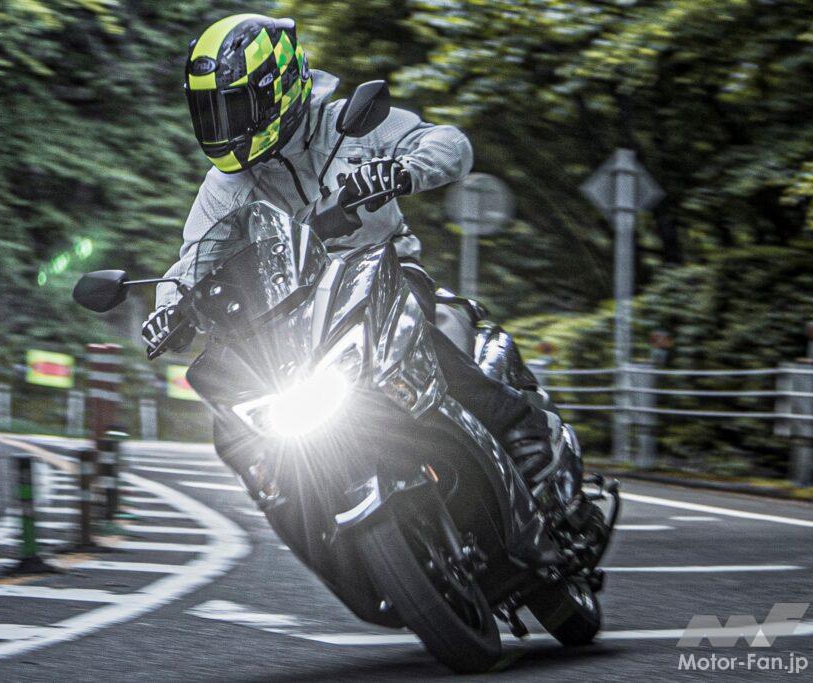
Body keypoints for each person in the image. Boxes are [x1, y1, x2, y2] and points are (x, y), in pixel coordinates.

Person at [142, 13, 562, 485]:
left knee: (406, 328)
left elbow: (450, 143)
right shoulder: (225, 185)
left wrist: (403, 170)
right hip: (290, 309)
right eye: (213, 111)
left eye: (235, 107)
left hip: (385, 272)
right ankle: (287, 493)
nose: (224, 124)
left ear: (276, 88)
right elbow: (194, 260)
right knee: (233, 408)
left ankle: (519, 426)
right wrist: (169, 309)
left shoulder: (349, 124)